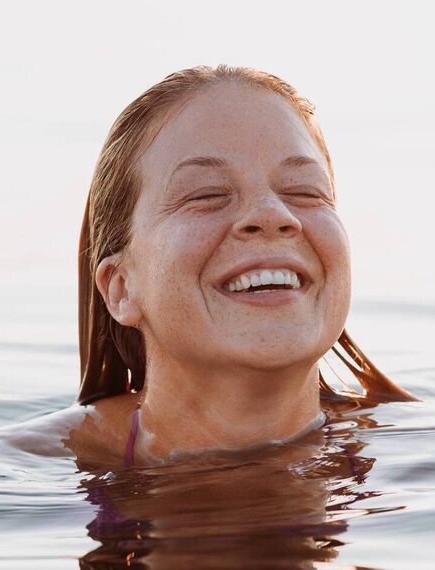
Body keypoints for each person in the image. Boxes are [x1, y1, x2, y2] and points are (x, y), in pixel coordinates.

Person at [63, 65, 412, 469]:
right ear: (121, 288)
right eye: (207, 195)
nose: (272, 214)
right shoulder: (21, 471)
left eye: (304, 191)